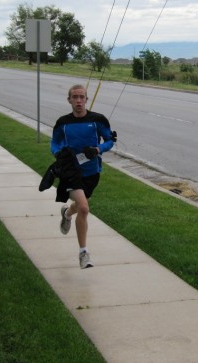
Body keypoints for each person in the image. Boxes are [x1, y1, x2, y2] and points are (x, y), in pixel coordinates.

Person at [50, 84, 116, 269]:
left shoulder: (98, 120)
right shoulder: (63, 122)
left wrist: (98, 149)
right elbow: (54, 142)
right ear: (69, 99)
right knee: (85, 209)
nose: (78, 101)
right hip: (71, 172)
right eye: (74, 97)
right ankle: (83, 253)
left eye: (81, 97)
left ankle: (67, 213)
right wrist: (58, 153)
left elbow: (110, 140)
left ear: (86, 99)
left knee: (79, 206)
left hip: (92, 173)